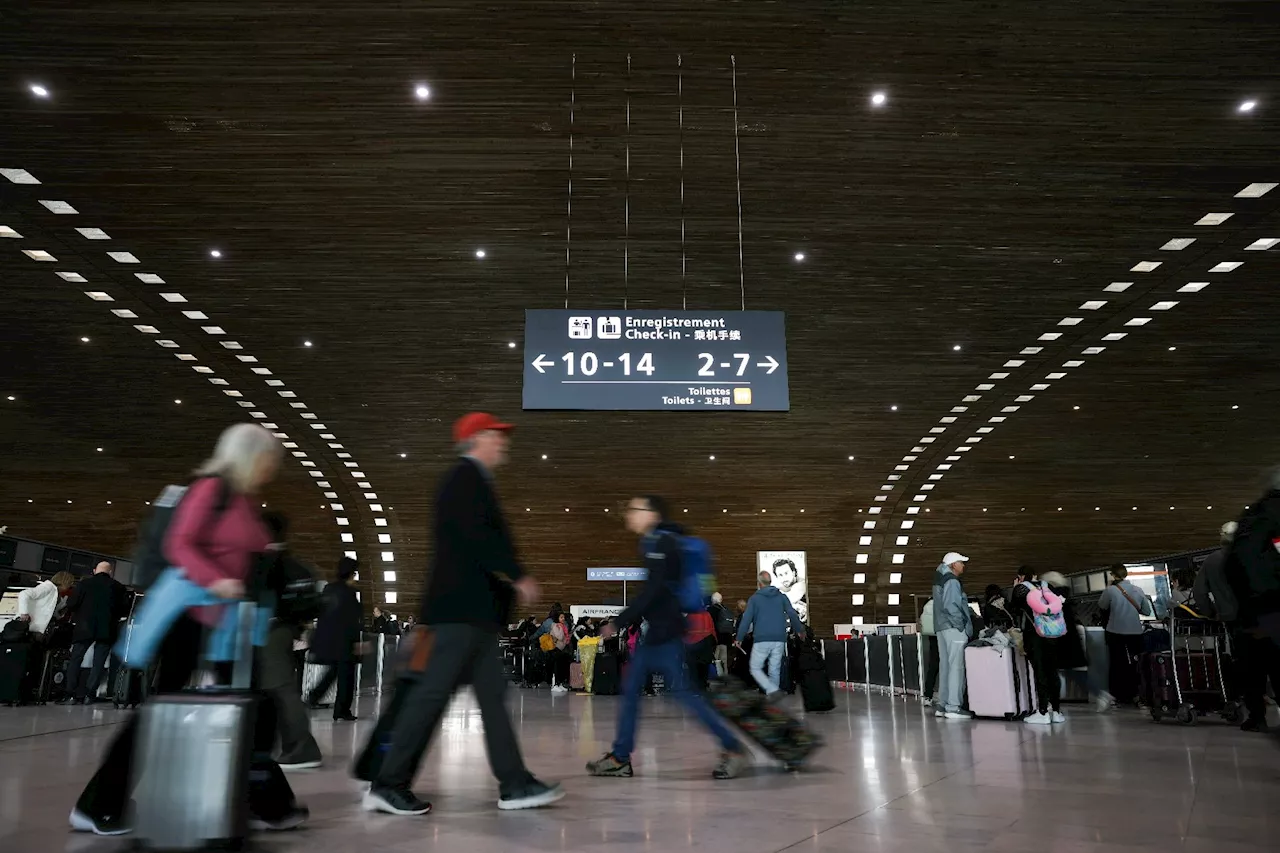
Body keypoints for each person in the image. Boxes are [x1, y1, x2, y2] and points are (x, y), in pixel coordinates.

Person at [70, 422, 305, 837]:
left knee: (253, 708)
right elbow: (179, 544)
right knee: (160, 711)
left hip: (226, 622)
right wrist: (217, 579)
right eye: (270, 457)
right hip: (191, 616)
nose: (274, 466)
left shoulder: (243, 499)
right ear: (250, 456)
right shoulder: (211, 489)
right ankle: (98, 804)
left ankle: (261, 801)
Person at [365, 412, 562, 816]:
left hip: (475, 616)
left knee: (491, 697)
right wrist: (518, 574)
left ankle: (515, 783)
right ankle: (388, 783)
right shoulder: (462, 478)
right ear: (476, 439)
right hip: (455, 614)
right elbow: (477, 537)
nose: (502, 442)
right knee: (430, 696)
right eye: (496, 435)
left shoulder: (474, 481)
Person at [587, 495, 748, 780]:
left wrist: (619, 622)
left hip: (666, 633)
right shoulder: (655, 543)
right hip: (659, 633)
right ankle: (620, 757)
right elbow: (654, 591)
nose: (629, 515)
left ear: (652, 514)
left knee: (684, 694)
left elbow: (655, 590)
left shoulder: (660, 544)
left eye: (635, 509)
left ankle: (732, 747)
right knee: (635, 690)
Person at [256, 512, 323, 771]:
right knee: (276, 688)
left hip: (270, 630)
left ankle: (301, 748)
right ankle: (282, 745)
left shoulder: (267, 560)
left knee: (281, 688)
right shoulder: (290, 563)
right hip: (283, 629)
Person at [1224, 470, 1280, 732]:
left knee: (1254, 667)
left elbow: (1236, 567)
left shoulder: (1252, 518)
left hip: (1251, 611)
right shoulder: (1272, 516)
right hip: (1270, 606)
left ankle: (1257, 715)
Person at [62, 562, 129, 705]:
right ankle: (89, 695)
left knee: (76, 659)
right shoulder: (119, 587)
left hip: (84, 628)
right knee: (98, 663)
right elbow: (124, 610)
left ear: (94, 571)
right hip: (107, 629)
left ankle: (70, 695)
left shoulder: (83, 584)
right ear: (110, 572)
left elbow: (72, 604)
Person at [305, 557, 363, 721]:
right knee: (346, 676)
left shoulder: (329, 589)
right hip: (344, 642)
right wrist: (358, 641)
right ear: (351, 574)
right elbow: (353, 619)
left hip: (329, 640)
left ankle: (315, 696)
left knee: (333, 672)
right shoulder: (349, 593)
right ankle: (341, 709)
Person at [736, 570, 806, 700]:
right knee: (774, 669)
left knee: (755, 667)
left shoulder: (754, 599)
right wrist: (800, 630)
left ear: (759, 583)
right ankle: (774, 696)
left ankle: (772, 691)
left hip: (761, 638)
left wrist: (739, 637)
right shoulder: (781, 597)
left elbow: (746, 620)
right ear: (770, 582)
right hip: (779, 638)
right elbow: (792, 614)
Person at [1096, 563, 1153, 711]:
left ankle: (1117, 696)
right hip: (1135, 633)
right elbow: (1146, 611)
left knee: (1116, 665)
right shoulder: (1138, 590)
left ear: (1113, 575)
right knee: (1136, 664)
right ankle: (1137, 696)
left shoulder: (1110, 590)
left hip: (1115, 632)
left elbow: (1102, 606)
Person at [1011, 574, 1067, 725]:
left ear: (1021, 577)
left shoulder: (1021, 589)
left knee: (1040, 672)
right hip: (1053, 634)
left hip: (1034, 635)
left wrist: (1016, 586)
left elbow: (1014, 610)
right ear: (1035, 575)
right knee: (1053, 672)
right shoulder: (1047, 586)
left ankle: (1042, 711)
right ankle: (1056, 711)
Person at [933, 552, 974, 720]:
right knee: (956, 668)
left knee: (946, 667)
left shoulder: (939, 579)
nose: (963, 566)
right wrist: (960, 626)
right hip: (953, 628)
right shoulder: (951, 580)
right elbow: (952, 605)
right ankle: (953, 707)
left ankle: (942, 705)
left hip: (941, 628)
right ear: (952, 564)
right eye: (961, 562)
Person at [16, 570, 76, 638]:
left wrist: (61, 612)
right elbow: (24, 594)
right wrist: (24, 613)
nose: (70, 586)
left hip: (35, 628)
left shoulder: (56, 593)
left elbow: (52, 612)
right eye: (70, 583)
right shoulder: (48, 587)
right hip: (29, 626)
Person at [708, 591, 735, 676]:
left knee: (716, 658)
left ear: (713, 600)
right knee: (724, 658)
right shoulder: (725, 609)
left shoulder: (711, 610)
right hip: (726, 637)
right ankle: (725, 674)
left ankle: (717, 675)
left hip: (716, 638)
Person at [919, 597, 939, 704]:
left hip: (932, 637)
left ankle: (928, 695)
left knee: (933, 667)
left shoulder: (926, 606)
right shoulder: (941, 603)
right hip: (942, 635)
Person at [548, 611, 572, 694]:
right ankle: (554, 685)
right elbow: (560, 636)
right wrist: (562, 629)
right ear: (557, 618)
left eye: (563, 617)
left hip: (561, 649)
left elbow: (566, 639)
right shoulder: (555, 626)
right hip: (555, 648)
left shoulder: (564, 626)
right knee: (556, 667)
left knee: (561, 667)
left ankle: (560, 683)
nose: (563, 619)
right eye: (561, 617)